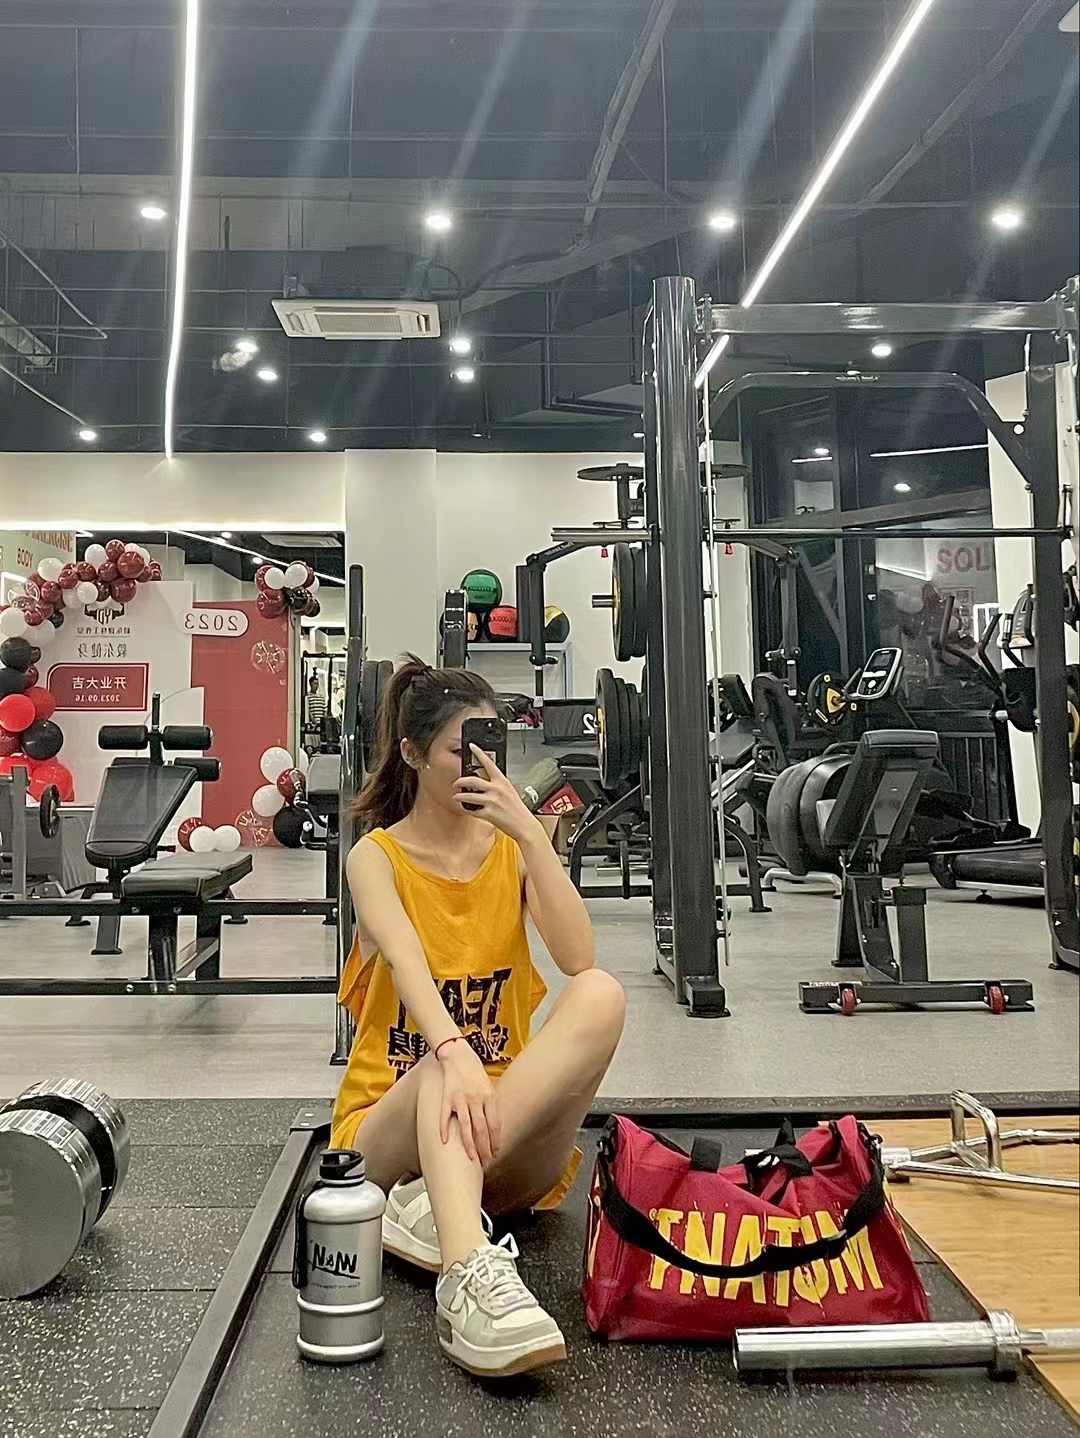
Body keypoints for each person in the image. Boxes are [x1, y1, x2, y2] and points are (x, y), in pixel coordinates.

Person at [331, 656, 625, 1379]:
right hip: (388, 1136)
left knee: (602, 994)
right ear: (411, 755)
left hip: (497, 1133)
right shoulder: (375, 858)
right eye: (461, 750)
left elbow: (578, 956)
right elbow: (404, 959)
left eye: (491, 747)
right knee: (443, 1063)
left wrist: (530, 833)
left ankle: (433, 1210)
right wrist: (455, 1051)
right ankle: (467, 1278)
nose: (480, 766)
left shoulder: (512, 850)